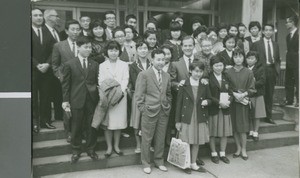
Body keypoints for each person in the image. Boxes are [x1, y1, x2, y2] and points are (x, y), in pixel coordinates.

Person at [61, 36, 99, 163]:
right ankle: (76, 151)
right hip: (76, 99)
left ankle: (91, 149)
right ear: (78, 47)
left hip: (92, 99)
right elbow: (65, 84)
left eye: (90, 47)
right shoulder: (69, 64)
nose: (88, 49)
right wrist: (65, 101)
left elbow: (97, 82)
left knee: (91, 126)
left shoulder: (94, 64)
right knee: (76, 126)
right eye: (85, 47)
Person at [135, 48, 172, 174]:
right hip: (149, 111)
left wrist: (167, 105)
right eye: (158, 59)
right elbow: (139, 95)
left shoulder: (166, 75)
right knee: (147, 138)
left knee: (160, 138)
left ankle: (159, 161)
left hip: (163, 111)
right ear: (152, 59)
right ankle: (146, 163)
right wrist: (143, 109)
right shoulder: (144, 74)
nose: (161, 62)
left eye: (163, 59)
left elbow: (168, 93)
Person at [175, 61, 211, 173]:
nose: (198, 74)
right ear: (190, 71)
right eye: (196, 71)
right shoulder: (184, 84)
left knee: (196, 140)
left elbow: (210, 99)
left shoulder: (204, 84)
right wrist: (177, 121)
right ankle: (185, 164)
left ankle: (193, 163)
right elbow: (179, 104)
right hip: (187, 116)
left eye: (201, 71)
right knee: (186, 141)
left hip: (200, 116)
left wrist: (207, 101)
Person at [52, 19, 81, 142]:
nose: (75, 32)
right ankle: (69, 132)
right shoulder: (59, 45)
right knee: (67, 107)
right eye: (72, 29)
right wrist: (61, 77)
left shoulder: (83, 43)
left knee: (80, 107)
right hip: (67, 82)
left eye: (77, 29)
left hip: (81, 81)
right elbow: (55, 65)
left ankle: (81, 131)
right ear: (67, 31)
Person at [99, 41, 129, 157]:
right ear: (107, 51)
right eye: (111, 50)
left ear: (119, 51)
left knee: (118, 123)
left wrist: (119, 91)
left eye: (116, 50)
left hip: (121, 97)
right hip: (107, 96)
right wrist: (110, 92)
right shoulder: (102, 65)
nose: (113, 52)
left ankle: (116, 146)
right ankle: (109, 147)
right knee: (108, 123)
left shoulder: (124, 64)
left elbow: (125, 79)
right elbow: (101, 81)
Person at [226, 48, 255, 161]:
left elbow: (252, 88)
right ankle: (238, 148)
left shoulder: (248, 72)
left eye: (240, 56)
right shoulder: (228, 72)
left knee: (242, 128)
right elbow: (226, 86)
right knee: (234, 127)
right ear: (232, 58)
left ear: (244, 58)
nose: (238, 59)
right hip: (232, 102)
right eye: (235, 56)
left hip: (243, 102)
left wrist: (243, 94)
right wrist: (233, 94)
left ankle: (244, 149)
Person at [32, 8, 56, 132]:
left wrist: (47, 64)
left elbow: (54, 50)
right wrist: (37, 64)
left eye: (40, 15)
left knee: (46, 96)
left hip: (46, 70)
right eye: (35, 15)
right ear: (30, 17)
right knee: (33, 98)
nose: (39, 17)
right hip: (32, 70)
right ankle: (34, 123)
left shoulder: (47, 32)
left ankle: (45, 121)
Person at [251, 24, 280, 124]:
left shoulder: (275, 44)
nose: (268, 32)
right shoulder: (256, 44)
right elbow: (253, 58)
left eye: (270, 30)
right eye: (266, 30)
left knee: (269, 94)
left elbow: (277, 59)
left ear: (273, 32)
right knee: (258, 94)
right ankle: (256, 116)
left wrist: (277, 71)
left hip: (271, 70)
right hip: (260, 71)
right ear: (262, 32)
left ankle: (268, 116)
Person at [208, 55, 233, 164]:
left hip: (225, 109)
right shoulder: (208, 78)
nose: (218, 68)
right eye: (216, 65)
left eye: (221, 65)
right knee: (212, 132)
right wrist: (219, 103)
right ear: (212, 66)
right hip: (213, 109)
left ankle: (222, 153)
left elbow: (231, 92)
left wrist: (229, 101)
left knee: (224, 132)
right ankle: (213, 153)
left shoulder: (227, 77)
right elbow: (207, 95)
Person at [128, 41, 152, 154]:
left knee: (149, 121)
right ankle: (138, 144)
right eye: (140, 48)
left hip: (151, 96)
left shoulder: (152, 64)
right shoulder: (133, 66)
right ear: (137, 50)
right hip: (138, 95)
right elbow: (133, 81)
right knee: (137, 120)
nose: (143, 50)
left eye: (145, 48)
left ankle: (148, 144)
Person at [44, 9, 63, 123]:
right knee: (46, 94)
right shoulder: (43, 30)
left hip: (57, 67)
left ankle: (59, 115)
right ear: (49, 17)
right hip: (46, 67)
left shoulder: (56, 31)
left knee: (58, 92)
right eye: (56, 16)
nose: (57, 18)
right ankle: (46, 119)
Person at [246, 51, 266, 141]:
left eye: (252, 59)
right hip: (247, 94)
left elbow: (262, 81)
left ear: (256, 60)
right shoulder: (244, 68)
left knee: (257, 114)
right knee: (249, 114)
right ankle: (250, 130)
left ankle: (256, 132)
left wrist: (253, 83)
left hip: (257, 94)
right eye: (248, 58)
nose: (250, 60)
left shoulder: (260, 69)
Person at [282, 16, 299, 107]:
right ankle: (289, 99)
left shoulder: (298, 34)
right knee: (288, 81)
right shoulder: (288, 36)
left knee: (298, 81)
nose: (286, 24)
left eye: (287, 22)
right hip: (289, 62)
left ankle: (299, 101)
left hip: (297, 62)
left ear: (292, 23)